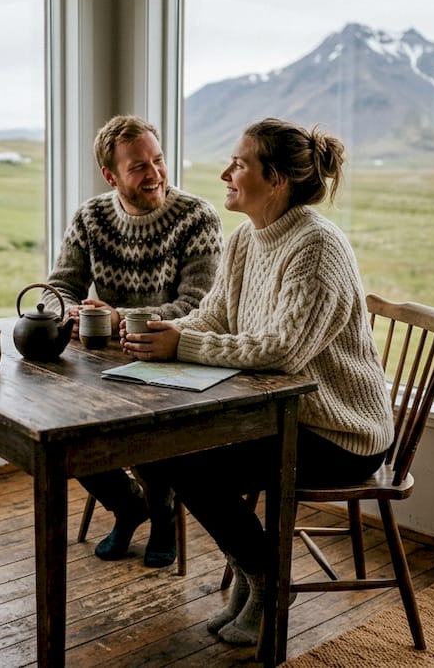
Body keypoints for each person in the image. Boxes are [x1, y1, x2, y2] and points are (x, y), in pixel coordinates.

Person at [123, 118, 393, 645]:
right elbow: (217, 314)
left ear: (276, 179)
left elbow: (284, 350)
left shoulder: (317, 248)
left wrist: (183, 346)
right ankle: (255, 573)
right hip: (281, 418)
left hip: (342, 432)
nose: (225, 172)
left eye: (239, 164)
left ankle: (267, 579)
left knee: (187, 459)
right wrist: (169, 331)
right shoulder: (248, 237)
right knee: (166, 449)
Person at [43, 113, 222, 568]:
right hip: (106, 360)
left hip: (174, 357)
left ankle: (163, 513)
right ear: (111, 175)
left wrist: (122, 316)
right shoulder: (91, 216)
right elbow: (60, 286)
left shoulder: (197, 217)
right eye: (138, 166)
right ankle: (128, 504)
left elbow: (198, 308)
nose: (155, 174)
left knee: (149, 423)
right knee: (58, 426)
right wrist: (69, 311)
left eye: (158, 160)